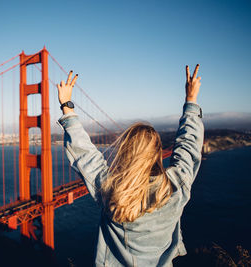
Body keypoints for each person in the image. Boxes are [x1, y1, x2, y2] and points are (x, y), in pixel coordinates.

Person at [57, 65, 203, 266]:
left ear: (126, 152)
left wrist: (67, 105)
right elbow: (189, 147)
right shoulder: (177, 187)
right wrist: (191, 100)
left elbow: (85, 154)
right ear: (157, 153)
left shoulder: (110, 190)